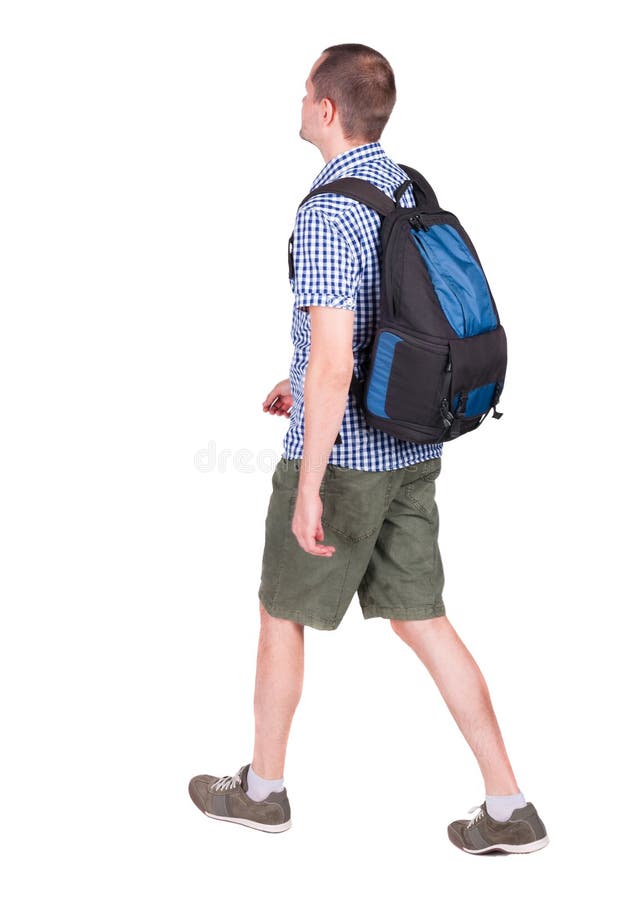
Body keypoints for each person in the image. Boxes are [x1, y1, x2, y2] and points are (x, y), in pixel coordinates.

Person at [188, 43, 549, 854]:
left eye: (305, 86)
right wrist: (301, 378)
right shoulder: (403, 185)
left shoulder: (326, 210)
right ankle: (508, 807)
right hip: (414, 447)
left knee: (281, 614)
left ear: (324, 108)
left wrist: (310, 480)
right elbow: (389, 316)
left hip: (346, 459)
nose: (300, 96)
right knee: (424, 618)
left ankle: (263, 791)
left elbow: (336, 360)